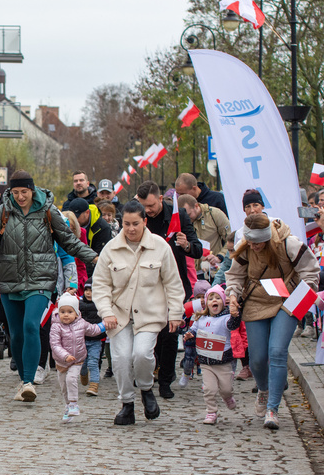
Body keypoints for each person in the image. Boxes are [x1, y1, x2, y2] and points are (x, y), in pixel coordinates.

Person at [0, 170, 97, 402]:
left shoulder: (48, 210)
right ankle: (23, 379)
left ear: (32, 190)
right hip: (10, 280)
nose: (20, 197)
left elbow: (68, 240)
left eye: (24, 192)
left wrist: (93, 257)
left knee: (31, 325)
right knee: (16, 334)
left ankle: (29, 382)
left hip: (41, 278)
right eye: (16, 192)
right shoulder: (4, 210)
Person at [92, 200, 186, 425]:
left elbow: (173, 282)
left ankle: (146, 389)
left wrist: (175, 313)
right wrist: (106, 312)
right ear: (121, 223)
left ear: (144, 222)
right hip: (119, 315)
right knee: (122, 359)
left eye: (136, 223)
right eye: (126, 224)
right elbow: (100, 284)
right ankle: (127, 404)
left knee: (142, 354)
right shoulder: (111, 248)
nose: (131, 229)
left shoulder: (160, 246)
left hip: (149, 313)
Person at [225, 214, 319, 429]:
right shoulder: (246, 247)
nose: (253, 246)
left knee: (277, 352)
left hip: (287, 301)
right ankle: (264, 389)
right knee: (257, 359)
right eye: (250, 242)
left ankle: (273, 409)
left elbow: (311, 272)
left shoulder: (289, 244)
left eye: (258, 242)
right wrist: (232, 295)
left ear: (267, 238)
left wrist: (303, 298)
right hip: (256, 301)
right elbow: (235, 276)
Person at [136, 180, 203, 399]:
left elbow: (197, 250)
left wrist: (185, 245)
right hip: (145, 283)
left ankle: (166, 379)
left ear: (160, 199)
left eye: (151, 206)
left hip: (172, 282)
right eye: (144, 206)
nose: (148, 211)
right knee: (148, 331)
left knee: (169, 333)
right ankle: (149, 370)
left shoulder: (178, 216)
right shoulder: (137, 216)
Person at [184, 285, 241, 424]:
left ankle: (227, 397)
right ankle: (211, 412)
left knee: (226, 389)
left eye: (217, 298)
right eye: (210, 298)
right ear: (206, 303)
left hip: (223, 362)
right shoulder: (201, 319)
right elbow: (193, 331)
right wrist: (189, 335)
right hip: (205, 361)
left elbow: (233, 325)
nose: (214, 301)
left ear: (223, 301)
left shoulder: (226, 318)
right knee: (209, 389)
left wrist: (235, 315)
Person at [49, 293, 105, 423]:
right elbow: (55, 344)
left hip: (77, 359)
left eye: (69, 311)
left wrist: (104, 325)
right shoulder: (56, 326)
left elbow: (93, 329)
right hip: (61, 361)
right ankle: (68, 406)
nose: (66, 315)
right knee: (63, 386)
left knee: (71, 378)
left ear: (76, 313)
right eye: (63, 311)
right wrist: (65, 356)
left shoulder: (82, 323)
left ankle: (74, 404)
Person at [177, 194, 232, 268]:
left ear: (196, 206)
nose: (186, 218)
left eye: (188, 215)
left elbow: (231, 240)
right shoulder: (180, 220)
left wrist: (220, 257)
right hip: (191, 271)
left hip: (212, 268)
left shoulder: (215, 214)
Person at [79, 281, 104, 396]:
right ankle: (83, 374)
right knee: (82, 363)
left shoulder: (102, 306)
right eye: (87, 290)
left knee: (93, 362)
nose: (89, 293)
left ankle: (94, 385)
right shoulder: (78, 304)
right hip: (82, 340)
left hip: (95, 340)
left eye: (92, 290)